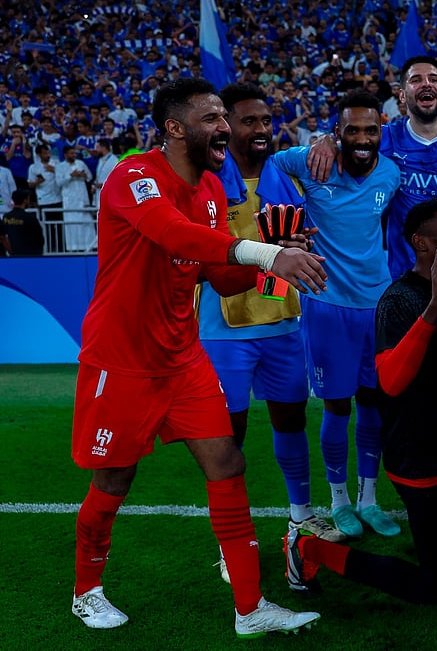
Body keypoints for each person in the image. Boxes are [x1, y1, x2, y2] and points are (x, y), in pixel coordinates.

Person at [70, 77, 325, 636]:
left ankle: (251, 609)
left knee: (228, 463)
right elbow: (173, 235)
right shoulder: (133, 175)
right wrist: (264, 251)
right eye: (212, 118)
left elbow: (216, 273)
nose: (225, 128)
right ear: (175, 127)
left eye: (224, 118)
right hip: (122, 360)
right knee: (114, 481)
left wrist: (276, 263)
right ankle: (86, 591)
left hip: (184, 359)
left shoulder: (212, 188)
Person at [285, 199, 437, 606]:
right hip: (420, 455)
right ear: (421, 243)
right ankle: (307, 550)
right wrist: (433, 309)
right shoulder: (402, 299)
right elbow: (390, 381)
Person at [196, 82, 343, 577]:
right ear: (225, 126)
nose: (260, 130)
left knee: (291, 422)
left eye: (266, 121)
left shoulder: (283, 169)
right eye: (248, 122)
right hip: (223, 329)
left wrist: (325, 134)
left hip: (281, 321)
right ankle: (229, 540)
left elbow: (331, 142)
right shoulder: (207, 178)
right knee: (226, 440)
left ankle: (301, 516)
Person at [263, 88, 404, 540]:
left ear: (381, 129)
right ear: (338, 132)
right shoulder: (310, 162)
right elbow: (271, 161)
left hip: (377, 307)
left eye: (370, 130)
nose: (362, 138)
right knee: (338, 407)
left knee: (374, 405)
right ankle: (338, 500)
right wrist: (320, 141)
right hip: (327, 305)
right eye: (350, 130)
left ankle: (368, 499)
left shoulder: (391, 172)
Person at [307, 55, 437, 278]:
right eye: (416, 80)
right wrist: (328, 140)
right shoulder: (384, 138)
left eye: (433, 79)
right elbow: (348, 141)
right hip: (406, 276)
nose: (426, 84)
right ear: (401, 95)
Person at [56, 146, 96, 251]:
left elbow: (90, 177)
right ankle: (73, 248)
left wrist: (83, 175)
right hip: (69, 201)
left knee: (86, 223)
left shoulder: (81, 163)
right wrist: (70, 176)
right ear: (65, 155)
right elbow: (59, 182)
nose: (73, 155)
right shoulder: (60, 166)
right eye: (71, 153)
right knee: (72, 224)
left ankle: (90, 246)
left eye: (74, 153)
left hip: (82, 198)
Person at [0, 188, 43, 255]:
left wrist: (11, 252)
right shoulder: (30, 218)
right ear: (25, 200)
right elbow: (39, 239)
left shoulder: (6, 217)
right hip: (30, 255)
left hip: (15, 255)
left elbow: (2, 236)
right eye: (28, 198)